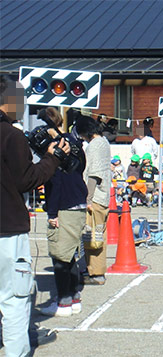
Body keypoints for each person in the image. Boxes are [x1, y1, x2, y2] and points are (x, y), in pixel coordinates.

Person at [1, 76, 67, 355]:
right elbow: (26, 179)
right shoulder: (11, 135)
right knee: (14, 301)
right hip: (7, 229)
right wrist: (53, 158)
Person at [38, 108, 86, 318]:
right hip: (78, 201)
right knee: (71, 255)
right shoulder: (73, 142)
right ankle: (74, 297)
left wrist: (52, 213)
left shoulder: (54, 148)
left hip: (63, 205)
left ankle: (64, 301)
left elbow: (55, 183)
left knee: (59, 257)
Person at [75, 115, 112, 286]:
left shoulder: (95, 146)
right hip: (102, 195)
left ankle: (96, 274)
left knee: (93, 236)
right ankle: (93, 270)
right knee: (97, 234)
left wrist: (87, 198)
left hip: (95, 196)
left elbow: (94, 175)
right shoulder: (103, 142)